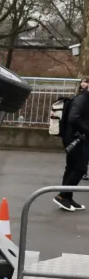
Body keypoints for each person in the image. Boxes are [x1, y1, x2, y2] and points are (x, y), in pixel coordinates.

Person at [55, 77, 89, 211]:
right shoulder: (83, 99)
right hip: (75, 139)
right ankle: (63, 196)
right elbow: (73, 118)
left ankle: (67, 198)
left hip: (79, 138)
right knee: (80, 168)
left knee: (71, 167)